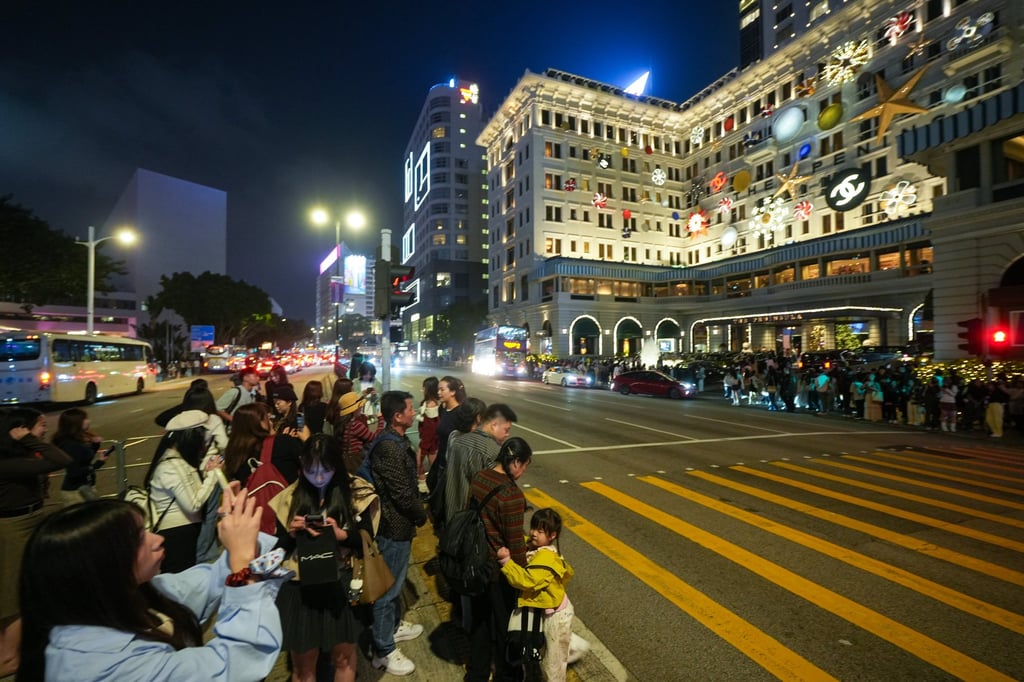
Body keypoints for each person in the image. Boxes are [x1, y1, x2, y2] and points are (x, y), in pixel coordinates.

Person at [17, 488, 289, 681]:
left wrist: (241, 535)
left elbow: (205, 581)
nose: (156, 538)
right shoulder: (100, 666)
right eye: (138, 538)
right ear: (102, 567)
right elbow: (236, 665)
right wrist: (242, 563)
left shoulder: (132, 596)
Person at [268, 434, 370, 682]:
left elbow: (369, 542)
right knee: (303, 669)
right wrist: (291, 533)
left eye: (326, 469)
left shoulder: (356, 492)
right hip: (300, 588)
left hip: (341, 585)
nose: (319, 477)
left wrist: (342, 534)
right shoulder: (289, 497)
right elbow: (277, 551)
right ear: (301, 465)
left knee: (343, 659)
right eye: (311, 470)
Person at [0, 408, 71, 677]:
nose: (43, 431)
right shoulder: (8, 463)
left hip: (26, 521)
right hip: (13, 527)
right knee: (11, 594)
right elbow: (60, 458)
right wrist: (30, 439)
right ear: (18, 430)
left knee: (18, 588)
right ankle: (8, 656)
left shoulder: (16, 457)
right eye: (39, 426)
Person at [368, 391, 427, 676]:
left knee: (395, 583)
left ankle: (392, 628)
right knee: (387, 590)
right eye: (409, 408)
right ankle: (383, 650)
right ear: (397, 416)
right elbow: (401, 494)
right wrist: (421, 513)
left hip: (400, 525)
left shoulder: (397, 440)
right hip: (393, 526)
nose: (414, 412)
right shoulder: (389, 448)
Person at [465, 436, 533, 682]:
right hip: (497, 571)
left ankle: (477, 673)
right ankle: (508, 675)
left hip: (475, 562)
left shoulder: (480, 477)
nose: (524, 471)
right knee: (507, 627)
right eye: (524, 465)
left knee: (480, 622)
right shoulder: (512, 495)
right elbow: (516, 544)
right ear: (515, 462)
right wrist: (525, 577)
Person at [498, 508, 575, 682]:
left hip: (557, 615)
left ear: (552, 535)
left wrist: (506, 562)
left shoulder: (546, 557)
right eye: (533, 528)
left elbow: (528, 581)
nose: (533, 533)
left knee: (552, 665)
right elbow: (525, 541)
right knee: (544, 651)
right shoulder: (537, 547)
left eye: (540, 531)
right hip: (548, 611)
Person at [145, 410, 225, 573]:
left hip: (185, 532)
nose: (204, 443)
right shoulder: (172, 466)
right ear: (190, 438)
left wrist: (206, 473)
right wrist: (212, 475)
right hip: (177, 535)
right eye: (201, 438)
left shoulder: (180, 462)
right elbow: (193, 504)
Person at [443, 403, 518, 527]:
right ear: (494, 425)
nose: (507, 434)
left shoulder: (458, 442)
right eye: (506, 429)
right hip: (473, 523)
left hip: (452, 515)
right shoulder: (493, 451)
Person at [222, 402, 302, 488]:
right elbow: (309, 464)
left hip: (250, 499)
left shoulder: (232, 452)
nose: (271, 423)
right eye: (268, 419)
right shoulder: (282, 442)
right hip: (283, 499)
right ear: (258, 423)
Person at [52, 408, 110, 506]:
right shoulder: (71, 444)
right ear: (76, 423)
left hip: (85, 487)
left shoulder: (77, 440)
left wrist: (95, 445)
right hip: (76, 492)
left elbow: (84, 458)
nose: (89, 421)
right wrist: (98, 464)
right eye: (85, 419)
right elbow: (74, 471)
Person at [425, 375, 467, 502]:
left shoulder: (461, 413)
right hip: (442, 461)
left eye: (442, 390)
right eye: (438, 389)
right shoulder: (443, 410)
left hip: (454, 466)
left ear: (453, 392)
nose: (438, 393)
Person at [416, 377, 441, 486]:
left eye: (425, 387)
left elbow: (430, 430)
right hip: (431, 441)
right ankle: (428, 487)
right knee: (432, 467)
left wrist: (424, 447)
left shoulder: (432, 406)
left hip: (429, 442)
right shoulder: (431, 402)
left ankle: (428, 488)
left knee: (419, 464)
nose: (423, 389)